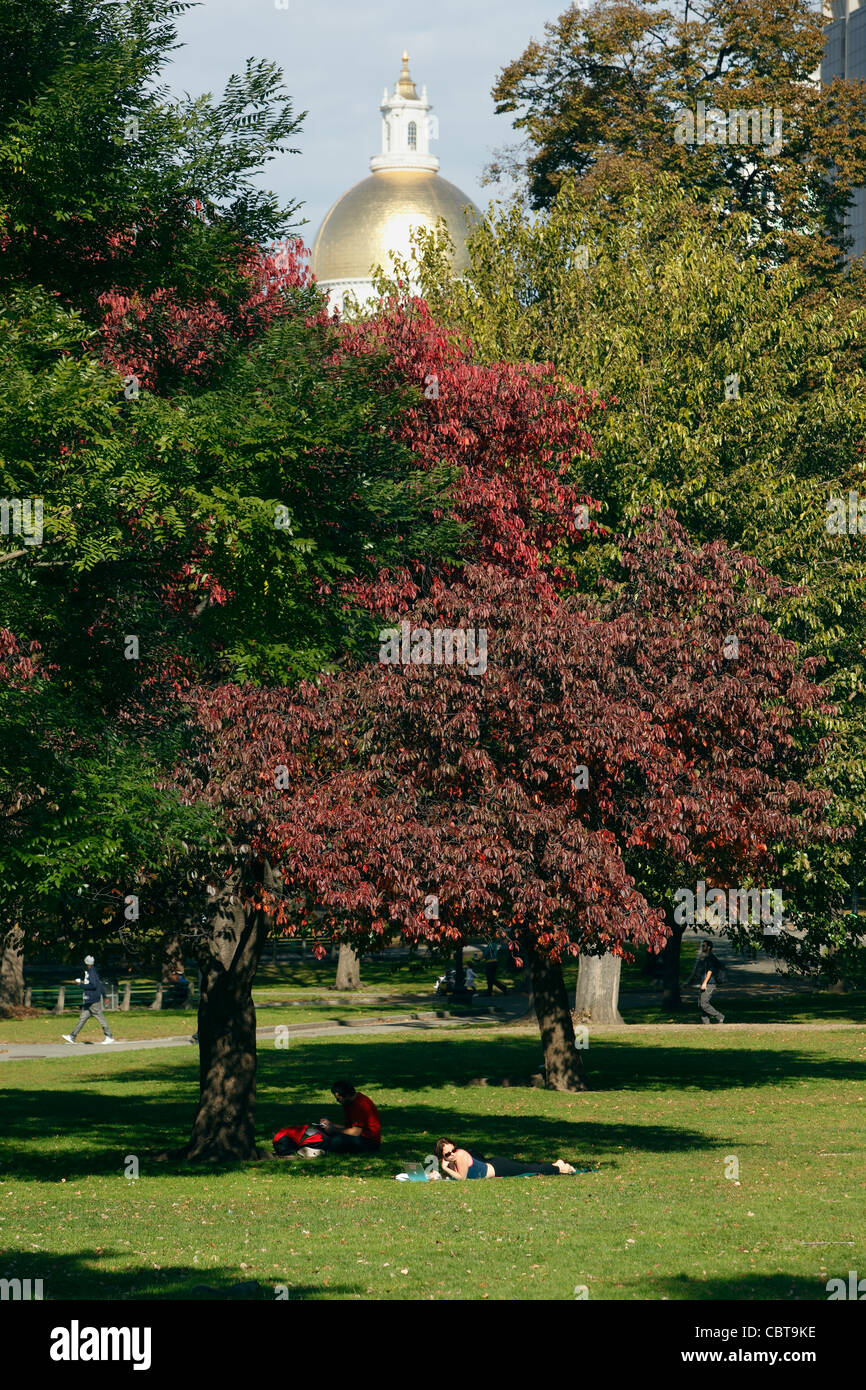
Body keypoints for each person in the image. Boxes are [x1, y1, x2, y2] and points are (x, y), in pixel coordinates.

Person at [432, 1137, 575, 1179]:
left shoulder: (461, 1155)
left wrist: (444, 1168)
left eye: (453, 1150)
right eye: (448, 1154)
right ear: (442, 1156)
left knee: (529, 1169)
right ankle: (557, 1164)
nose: (452, 1154)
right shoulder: (451, 1160)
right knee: (527, 1166)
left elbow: (462, 1179)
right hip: (492, 1164)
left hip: (499, 1168)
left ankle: (559, 1168)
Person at [315, 1080, 381, 1156]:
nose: (338, 1101)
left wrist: (333, 1129)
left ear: (347, 1095)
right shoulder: (349, 1102)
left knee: (335, 1141)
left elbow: (356, 1132)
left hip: (368, 1142)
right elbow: (348, 1127)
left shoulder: (359, 1105)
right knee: (322, 1131)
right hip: (359, 1137)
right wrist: (330, 1124)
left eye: (339, 1099)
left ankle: (320, 1147)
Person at [62, 955, 115, 1044]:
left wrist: (81, 985)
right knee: (83, 1018)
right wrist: (104, 996)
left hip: (93, 1000)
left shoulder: (91, 973)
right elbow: (100, 985)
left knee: (100, 1017)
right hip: (89, 1000)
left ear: (86, 963)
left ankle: (109, 1036)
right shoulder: (93, 971)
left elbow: (94, 985)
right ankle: (72, 1036)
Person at [695, 940, 725, 1024]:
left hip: (709, 984)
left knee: (704, 1004)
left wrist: (704, 983)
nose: (702, 947)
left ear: (708, 947)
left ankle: (720, 1016)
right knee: (701, 1004)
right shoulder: (706, 957)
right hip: (705, 983)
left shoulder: (710, 957)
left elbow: (710, 971)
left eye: (703, 946)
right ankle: (706, 1024)